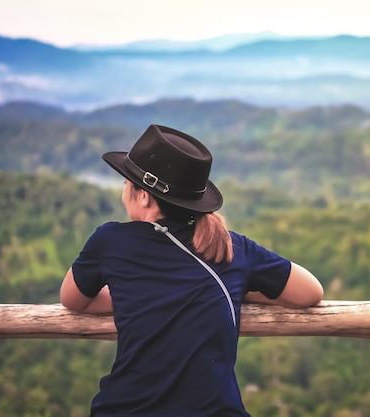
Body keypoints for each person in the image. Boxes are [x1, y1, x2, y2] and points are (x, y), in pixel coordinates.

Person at [60, 124, 324, 417]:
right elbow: (310, 291)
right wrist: (239, 290)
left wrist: (130, 296)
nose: (124, 191)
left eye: (126, 184)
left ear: (144, 197)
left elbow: (72, 299)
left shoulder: (109, 242)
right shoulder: (232, 247)